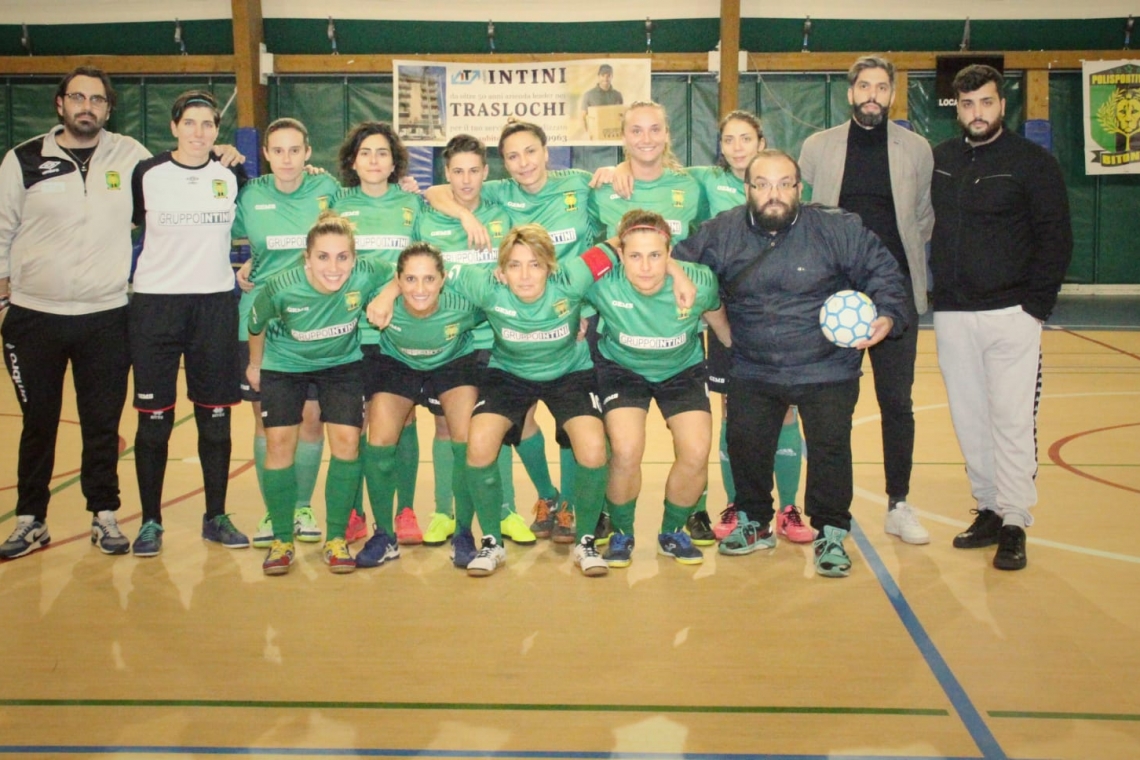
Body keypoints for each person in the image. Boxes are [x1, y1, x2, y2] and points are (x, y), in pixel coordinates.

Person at [672, 150, 909, 578]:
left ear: (800, 188)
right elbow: (675, 262)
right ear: (748, 189)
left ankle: (832, 530)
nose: (773, 194)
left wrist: (888, 314)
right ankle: (753, 520)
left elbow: (884, 272)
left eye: (784, 184)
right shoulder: (723, 231)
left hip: (827, 368)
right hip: (753, 365)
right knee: (745, 443)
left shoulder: (837, 228)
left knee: (831, 449)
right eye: (762, 184)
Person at [423, 120, 602, 543]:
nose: (523, 163)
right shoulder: (499, 192)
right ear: (500, 165)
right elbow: (434, 191)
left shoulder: (579, 183)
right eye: (512, 156)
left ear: (547, 151)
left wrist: (582, 307)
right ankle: (549, 497)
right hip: (512, 321)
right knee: (520, 419)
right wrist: (465, 213)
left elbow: (611, 239)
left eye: (530, 151)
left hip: (575, 317)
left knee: (573, 423)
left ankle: (572, 509)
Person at [0, 66, 148, 559]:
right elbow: (1, 231)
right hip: (33, 317)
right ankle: (31, 519)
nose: (88, 106)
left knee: (101, 422)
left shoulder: (131, 156)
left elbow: (177, 187)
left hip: (106, 317)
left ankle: (103, 514)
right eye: (78, 97)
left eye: (98, 99)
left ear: (109, 107)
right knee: (38, 421)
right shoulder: (22, 159)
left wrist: (227, 156)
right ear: (60, 103)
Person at [930, 65, 1072, 571]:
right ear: (957, 108)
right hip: (952, 313)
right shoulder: (941, 160)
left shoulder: (1032, 162)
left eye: (986, 103)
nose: (977, 113)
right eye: (967, 105)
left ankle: (1015, 521)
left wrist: (1035, 308)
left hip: (1012, 313)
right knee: (970, 419)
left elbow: (1056, 237)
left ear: (1002, 104)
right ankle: (988, 507)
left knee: (1012, 420)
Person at [424, 224, 618, 577]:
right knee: (478, 445)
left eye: (535, 265)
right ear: (501, 269)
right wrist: (387, 292)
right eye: (514, 265)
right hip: (509, 374)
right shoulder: (486, 286)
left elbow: (622, 243)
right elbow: (428, 267)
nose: (525, 275)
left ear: (550, 266)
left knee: (593, 449)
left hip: (569, 372)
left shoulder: (572, 277)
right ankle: (492, 544)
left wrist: (676, 276)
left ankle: (585, 541)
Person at [799, 55, 935, 546]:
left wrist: (894, 277)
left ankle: (899, 503)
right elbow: (809, 214)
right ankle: (832, 510)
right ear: (851, 92)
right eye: (865, 87)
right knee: (832, 406)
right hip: (835, 297)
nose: (873, 94)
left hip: (893, 295)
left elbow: (922, 219)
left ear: (892, 94)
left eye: (882, 87)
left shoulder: (917, 149)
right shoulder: (817, 147)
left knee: (897, 402)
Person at [128, 90, 249, 557]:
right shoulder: (148, 174)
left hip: (215, 306)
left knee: (215, 420)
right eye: (191, 123)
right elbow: (131, 223)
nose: (200, 132)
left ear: (218, 131)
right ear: (174, 126)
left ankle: (215, 515)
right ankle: (151, 522)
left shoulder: (231, 173)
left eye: (209, 124)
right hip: (156, 307)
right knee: (153, 421)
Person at [413, 134, 549, 548]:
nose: (466, 179)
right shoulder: (428, 213)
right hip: (445, 338)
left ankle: (505, 510)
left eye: (474, 170)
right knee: (443, 425)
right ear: (446, 172)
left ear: (487, 173)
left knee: (500, 421)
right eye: (457, 171)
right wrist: (462, 216)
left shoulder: (503, 213)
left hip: (492, 336)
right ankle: (443, 512)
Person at [246, 211, 394, 575]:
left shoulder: (365, 273)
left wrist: (386, 296)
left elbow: (397, 273)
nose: (334, 267)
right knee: (280, 443)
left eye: (343, 257)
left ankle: (336, 538)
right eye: (323, 257)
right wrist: (254, 365)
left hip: (341, 364)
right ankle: (282, 538)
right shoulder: (281, 286)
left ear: (354, 258)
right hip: (285, 366)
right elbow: (255, 323)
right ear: (307, 259)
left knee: (347, 442)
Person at [585, 210, 729, 567]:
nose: (645, 266)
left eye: (655, 255)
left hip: (682, 369)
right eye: (634, 255)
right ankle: (621, 533)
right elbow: (560, 282)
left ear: (670, 255)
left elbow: (719, 322)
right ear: (620, 254)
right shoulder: (601, 282)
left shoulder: (699, 282)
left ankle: (672, 531)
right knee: (626, 449)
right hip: (623, 369)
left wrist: (744, 365)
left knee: (696, 452)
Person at [234, 118, 341, 551]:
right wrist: (244, 266)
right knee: (268, 424)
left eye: (295, 150)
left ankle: (300, 505)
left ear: (308, 153)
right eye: (278, 151)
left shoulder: (326, 189)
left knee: (312, 419)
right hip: (261, 322)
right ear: (266, 155)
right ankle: (273, 511)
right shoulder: (251, 195)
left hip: (316, 321)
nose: (287, 159)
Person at [356, 242, 483, 569]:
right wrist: (386, 293)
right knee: (379, 442)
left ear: (442, 279)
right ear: (398, 280)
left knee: (465, 439)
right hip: (399, 363)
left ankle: (464, 532)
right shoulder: (381, 301)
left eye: (429, 279)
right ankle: (384, 534)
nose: (420, 288)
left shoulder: (465, 302)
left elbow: (504, 302)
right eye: (410, 279)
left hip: (453, 362)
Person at [333, 121, 425, 546]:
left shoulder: (412, 203)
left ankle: (403, 509)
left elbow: (422, 258)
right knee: (354, 424)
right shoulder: (335, 201)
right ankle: (353, 513)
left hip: (398, 329)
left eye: (382, 153)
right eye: (366, 152)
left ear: (395, 162)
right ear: (353, 160)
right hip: (349, 331)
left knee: (402, 421)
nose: (374, 160)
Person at [580, 63, 624, 132]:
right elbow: (582, 118)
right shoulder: (589, 95)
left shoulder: (617, 95)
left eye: (608, 76)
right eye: (603, 75)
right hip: (596, 136)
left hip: (613, 134)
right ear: (598, 76)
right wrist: (587, 134)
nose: (605, 78)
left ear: (612, 76)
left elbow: (621, 116)